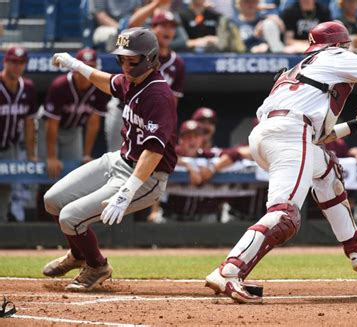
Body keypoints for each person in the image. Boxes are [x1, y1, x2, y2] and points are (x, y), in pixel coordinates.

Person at [205, 21, 357, 303]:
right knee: (284, 216)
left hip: (270, 135)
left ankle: (356, 246)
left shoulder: (300, 69)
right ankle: (229, 271)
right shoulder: (336, 55)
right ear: (340, 44)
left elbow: (319, 137)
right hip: (290, 134)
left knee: (327, 171)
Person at [41, 27, 177, 291]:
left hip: (146, 177)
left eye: (131, 60)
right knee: (53, 201)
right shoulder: (133, 80)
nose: (125, 65)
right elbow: (107, 82)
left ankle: (96, 265)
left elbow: (153, 151)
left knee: (69, 217)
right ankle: (79, 255)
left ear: (149, 59)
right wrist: (76, 65)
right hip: (118, 160)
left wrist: (127, 191)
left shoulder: (159, 95)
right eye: (122, 60)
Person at [35, 48, 111, 221]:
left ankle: (67, 219)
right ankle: (41, 218)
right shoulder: (60, 85)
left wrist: (86, 154)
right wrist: (52, 156)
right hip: (49, 127)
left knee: (74, 174)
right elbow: (52, 124)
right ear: (75, 68)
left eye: (90, 66)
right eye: (83, 66)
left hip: (74, 129)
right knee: (48, 171)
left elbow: (93, 123)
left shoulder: (98, 89)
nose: (85, 72)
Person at [105, 12, 185, 152]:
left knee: (146, 158)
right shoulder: (136, 54)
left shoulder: (177, 63)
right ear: (153, 28)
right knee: (117, 157)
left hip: (151, 116)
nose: (168, 31)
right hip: (124, 109)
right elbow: (129, 29)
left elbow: (174, 100)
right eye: (164, 26)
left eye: (172, 27)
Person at [0, 46, 37, 222]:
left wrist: (31, 154)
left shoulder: (27, 88)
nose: (17, 66)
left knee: (6, 187)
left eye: (21, 63)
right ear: (5, 62)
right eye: (13, 62)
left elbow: (29, 123)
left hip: (9, 146)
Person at [178, 0, 245, 52]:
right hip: (190, 55)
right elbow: (179, 42)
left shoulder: (216, 16)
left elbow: (227, 41)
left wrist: (215, 39)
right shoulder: (181, 16)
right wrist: (202, 41)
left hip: (215, 54)